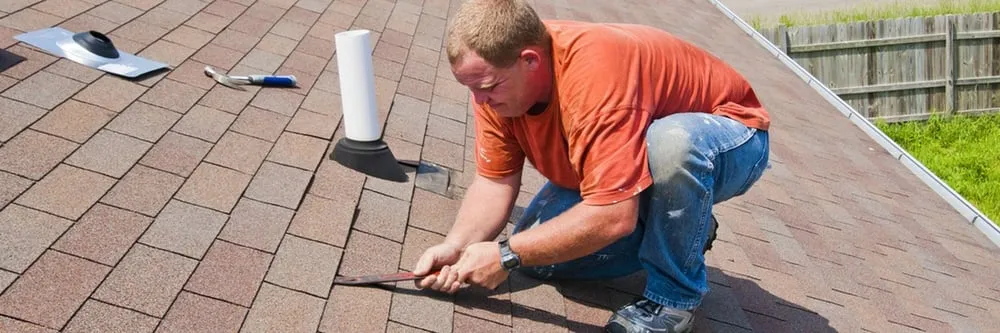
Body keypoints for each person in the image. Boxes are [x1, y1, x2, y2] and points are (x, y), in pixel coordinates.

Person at [411, 0, 770, 332]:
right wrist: (456, 248)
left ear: (530, 60)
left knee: (672, 142)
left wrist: (504, 255)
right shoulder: (495, 83)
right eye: (471, 89)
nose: (480, 101)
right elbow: (494, 182)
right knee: (538, 258)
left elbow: (614, 216)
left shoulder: (594, 78)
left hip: (731, 136)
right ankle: (687, 227)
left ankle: (674, 301)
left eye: (487, 87)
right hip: (637, 152)